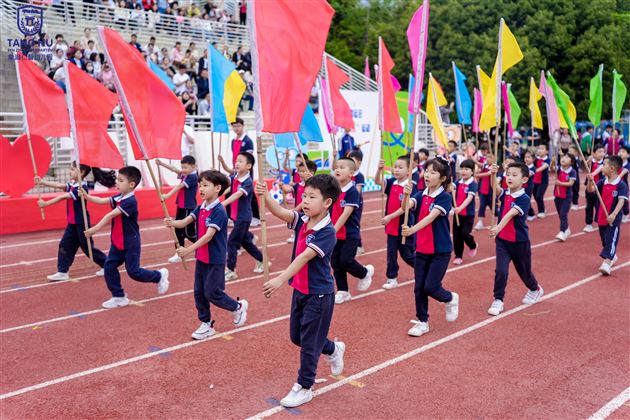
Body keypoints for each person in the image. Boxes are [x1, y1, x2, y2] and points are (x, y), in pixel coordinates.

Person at [256, 174, 345, 409]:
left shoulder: (327, 231)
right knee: (297, 337)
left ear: (327, 203)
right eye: (304, 195)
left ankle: (304, 386)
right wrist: (264, 196)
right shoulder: (304, 220)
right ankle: (333, 349)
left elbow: (305, 256)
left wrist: (279, 279)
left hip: (320, 294)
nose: (305, 200)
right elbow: (282, 213)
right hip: (300, 290)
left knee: (308, 345)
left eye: (311, 197)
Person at [164, 170, 249, 339]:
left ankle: (237, 307)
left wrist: (187, 250)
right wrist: (172, 223)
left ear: (217, 188)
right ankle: (206, 323)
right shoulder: (201, 207)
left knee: (212, 292)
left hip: (215, 259)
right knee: (199, 292)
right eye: (199, 185)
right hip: (201, 258)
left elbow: (208, 236)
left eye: (205, 185)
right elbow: (184, 222)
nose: (201, 189)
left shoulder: (218, 211)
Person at [81, 166, 169, 308]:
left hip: (130, 242)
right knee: (109, 267)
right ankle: (119, 296)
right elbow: (102, 201)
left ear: (131, 184)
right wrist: (86, 197)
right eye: (117, 179)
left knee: (133, 272)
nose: (117, 182)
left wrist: (94, 229)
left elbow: (110, 215)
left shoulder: (130, 202)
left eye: (120, 180)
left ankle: (159, 276)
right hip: (117, 241)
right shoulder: (119, 196)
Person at [402, 158, 460, 336]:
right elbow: (406, 207)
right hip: (422, 249)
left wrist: (412, 230)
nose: (427, 174)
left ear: (442, 178)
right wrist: (406, 196)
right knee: (419, 287)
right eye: (427, 170)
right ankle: (422, 321)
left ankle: (450, 298)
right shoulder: (420, 194)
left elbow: (430, 217)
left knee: (431, 287)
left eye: (433, 172)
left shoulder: (444, 197)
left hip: (440, 251)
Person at [487, 161, 543, 316]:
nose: (509, 177)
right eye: (507, 174)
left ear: (524, 180)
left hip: (520, 243)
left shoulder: (524, 198)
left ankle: (535, 288)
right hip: (503, 242)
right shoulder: (505, 193)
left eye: (514, 175)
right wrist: (493, 174)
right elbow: (495, 188)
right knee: (501, 271)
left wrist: (497, 228)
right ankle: (498, 299)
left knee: (525, 273)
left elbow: (511, 213)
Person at [35, 164, 108, 281]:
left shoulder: (81, 188)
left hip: (81, 223)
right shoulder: (73, 184)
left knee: (87, 247)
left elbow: (63, 197)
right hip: (72, 223)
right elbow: (60, 186)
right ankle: (62, 271)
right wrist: (42, 182)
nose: (70, 172)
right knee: (65, 244)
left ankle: (107, 265)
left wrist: (46, 204)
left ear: (82, 172)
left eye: (72, 169)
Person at [330, 158, 374, 304]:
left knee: (346, 261)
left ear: (351, 173)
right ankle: (343, 290)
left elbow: (346, 213)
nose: (337, 170)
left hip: (349, 233)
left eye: (342, 167)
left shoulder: (352, 191)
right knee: (335, 263)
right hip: (336, 232)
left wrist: (333, 231)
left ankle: (364, 273)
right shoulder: (333, 190)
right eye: (336, 167)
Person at [221, 152, 265, 281]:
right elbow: (231, 189)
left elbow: (237, 195)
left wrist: (221, 204)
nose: (237, 163)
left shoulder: (247, 181)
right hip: (237, 216)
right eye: (236, 161)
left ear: (249, 166)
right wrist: (219, 195)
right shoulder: (236, 176)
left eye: (240, 161)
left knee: (232, 242)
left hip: (243, 217)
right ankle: (262, 260)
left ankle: (231, 269)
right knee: (246, 243)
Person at [375, 156, 416, 290]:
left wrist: (390, 217)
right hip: (391, 226)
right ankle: (391, 278)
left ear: (409, 171)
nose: (396, 170)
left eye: (400, 167)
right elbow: (378, 182)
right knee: (391, 253)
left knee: (407, 254)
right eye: (395, 167)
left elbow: (405, 207)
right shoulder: (392, 182)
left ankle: (422, 268)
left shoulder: (410, 186)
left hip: (403, 225)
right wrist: (379, 169)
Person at [590, 156, 628, 275]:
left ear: (612, 168)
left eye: (604, 165)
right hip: (602, 216)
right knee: (605, 240)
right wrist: (590, 181)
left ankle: (607, 262)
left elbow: (621, 201)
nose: (601, 167)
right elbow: (591, 190)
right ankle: (612, 255)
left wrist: (614, 214)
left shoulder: (621, 185)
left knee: (611, 239)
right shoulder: (602, 181)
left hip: (613, 218)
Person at [157, 156, 199, 263]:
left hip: (188, 207)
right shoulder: (186, 174)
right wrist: (161, 164)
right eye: (182, 167)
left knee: (188, 232)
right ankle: (179, 253)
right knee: (177, 230)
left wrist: (167, 196)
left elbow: (179, 186)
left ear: (193, 167)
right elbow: (174, 169)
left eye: (185, 167)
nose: (183, 170)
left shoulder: (193, 177)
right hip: (181, 206)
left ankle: (203, 246)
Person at [281, 160, 317, 243]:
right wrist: (282, 186)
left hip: (310, 214)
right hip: (299, 214)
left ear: (311, 172)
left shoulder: (314, 186)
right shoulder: (298, 185)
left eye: (303, 171)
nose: (300, 173)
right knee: (299, 234)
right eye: (299, 171)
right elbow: (288, 190)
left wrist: (294, 210)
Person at [451, 159, 479, 265]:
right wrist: (449, 185)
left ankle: (473, 245)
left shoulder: (473, 184)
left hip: (468, 214)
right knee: (457, 235)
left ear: (472, 171)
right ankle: (458, 256)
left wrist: (460, 207)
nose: (463, 171)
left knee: (464, 233)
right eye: (462, 169)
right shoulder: (458, 182)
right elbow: (450, 188)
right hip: (458, 214)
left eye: (466, 169)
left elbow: (469, 198)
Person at [553, 154, 577, 241]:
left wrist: (560, 183)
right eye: (563, 157)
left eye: (567, 158)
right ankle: (566, 228)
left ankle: (562, 232)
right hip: (557, 195)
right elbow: (552, 168)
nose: (563, 158)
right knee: (560, 214)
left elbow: (571, 183)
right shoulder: (558, 169)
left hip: (566, 196)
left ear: (571, 162)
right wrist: (553, 161)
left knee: (563, 214)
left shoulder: (572, 171)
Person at [583, 145, 605, 233]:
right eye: (599, 151)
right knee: (589, 206)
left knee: (598, 206)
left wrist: (593, 174)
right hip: (589, 187)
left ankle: (600, 221)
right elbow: (584, 164)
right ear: (593, 153)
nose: (602, 154)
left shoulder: (605, 163)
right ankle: (588, 224)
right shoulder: (591, 162)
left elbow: (600, 168)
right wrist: (588, 160)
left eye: (603, 151)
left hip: (599, 188)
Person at [348, 150, 365, 255]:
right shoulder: (347, 174)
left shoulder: (359, 176)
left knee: (355, 224)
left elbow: (357, 192)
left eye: (353, 161)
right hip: (346, 203)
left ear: (359, 163)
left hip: (356, 204)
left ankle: (359, 245)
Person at [474, 144, 493, 230]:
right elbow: (480, 164)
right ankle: (480, 221)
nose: (487, 159)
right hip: (483, 189)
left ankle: (498, 219)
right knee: (482, 205)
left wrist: (476, 175)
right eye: (487, 157)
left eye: (490, 158)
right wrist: (472, 158)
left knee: (493, 206)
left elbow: (488, 173)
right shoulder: (485, 165)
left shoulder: (493, 167)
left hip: (491, 190)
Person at [532, 144, 551, 218]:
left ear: (546, 151)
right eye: (539, 148)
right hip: (534, 181)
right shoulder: (536, 159)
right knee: (535, 196)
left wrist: (534, 171)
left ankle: (541, 211)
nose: (540, 150)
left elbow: (544, 167)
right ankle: (542, 207)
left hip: (543, 181)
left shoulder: (547, 159)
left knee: (539, 196)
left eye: (542, 148)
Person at [568, 145, 582, 211]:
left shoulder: (577, 160)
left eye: (571, 151)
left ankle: (575, 203)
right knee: (568, 191)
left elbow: (577, 166)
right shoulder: (568, 159)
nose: (569, 152)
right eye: (569, 151)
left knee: (575, 191)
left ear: (576, 153)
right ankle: (569, 202)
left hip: (575, 179)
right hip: (568, 178)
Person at [619, 146, 630, 223]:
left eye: (623, 152)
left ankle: (626, 213)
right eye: (620, 151)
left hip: (625, 185)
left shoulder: (628, 165)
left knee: (625, 200)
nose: (621, 153)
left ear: (628, 155)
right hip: (617, 185)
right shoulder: (617, 164)